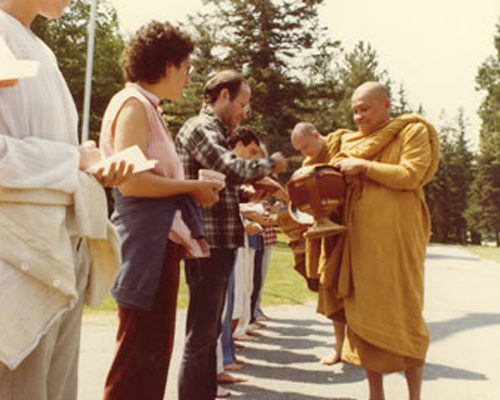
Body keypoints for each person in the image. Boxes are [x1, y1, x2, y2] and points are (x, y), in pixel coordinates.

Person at [0, 1, 133, 399]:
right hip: (17, 256)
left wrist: (86, 165)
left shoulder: (42, 51)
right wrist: (73, 159)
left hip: (62, 250)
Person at [98, 21, 220, 400]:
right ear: (166, 65)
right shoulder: (134, 105)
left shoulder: (146, 107)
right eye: (186, 68)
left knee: (148, 360)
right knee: (136, 363)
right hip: (146, 248)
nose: (188, 78)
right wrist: (193, 187)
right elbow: (132, 183)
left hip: (156, 247)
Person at [175, 69, 287, 400]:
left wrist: (247, 196)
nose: (244, 113)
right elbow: (230, 167)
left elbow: (219, 187)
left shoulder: (212, 129)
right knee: (201, 334)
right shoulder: (202, 128)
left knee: (207, 334)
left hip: (216, 242)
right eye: (243, 104)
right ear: (223, 95)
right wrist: (271, 164)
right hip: (207, 243)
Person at [325, 81, 439, 400]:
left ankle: (414, 396)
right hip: (361, 242)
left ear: (386, 104)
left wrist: (363, 167)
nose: (358, 117)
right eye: (355, 111)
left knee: (406, 314)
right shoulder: (352, 143)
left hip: (400, 242)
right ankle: (376, 395)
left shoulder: (411, 131)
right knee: (365, 315)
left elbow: (411, 175)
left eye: (365, 108)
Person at [290, 122, 347, 365]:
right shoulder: (306, 167)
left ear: (317, 135)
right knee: (332, 287)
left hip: (351, 227)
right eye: (300, 150)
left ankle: (362, 346)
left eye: (306, 146)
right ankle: (338, 348)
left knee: (354, 286)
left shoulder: (343, 143)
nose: (305, 153)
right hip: (327, 235)